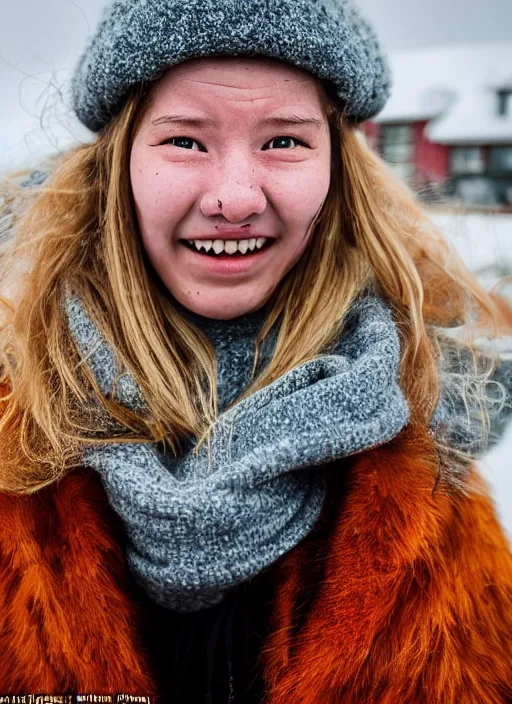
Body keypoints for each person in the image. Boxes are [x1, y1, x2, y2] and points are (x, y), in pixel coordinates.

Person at [0, 0, 511, 702]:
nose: (235, 198)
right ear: (117, 167)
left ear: (338, 175)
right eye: (185, 140)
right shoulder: (13, 449)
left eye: (283, 142)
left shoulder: (427, 474)